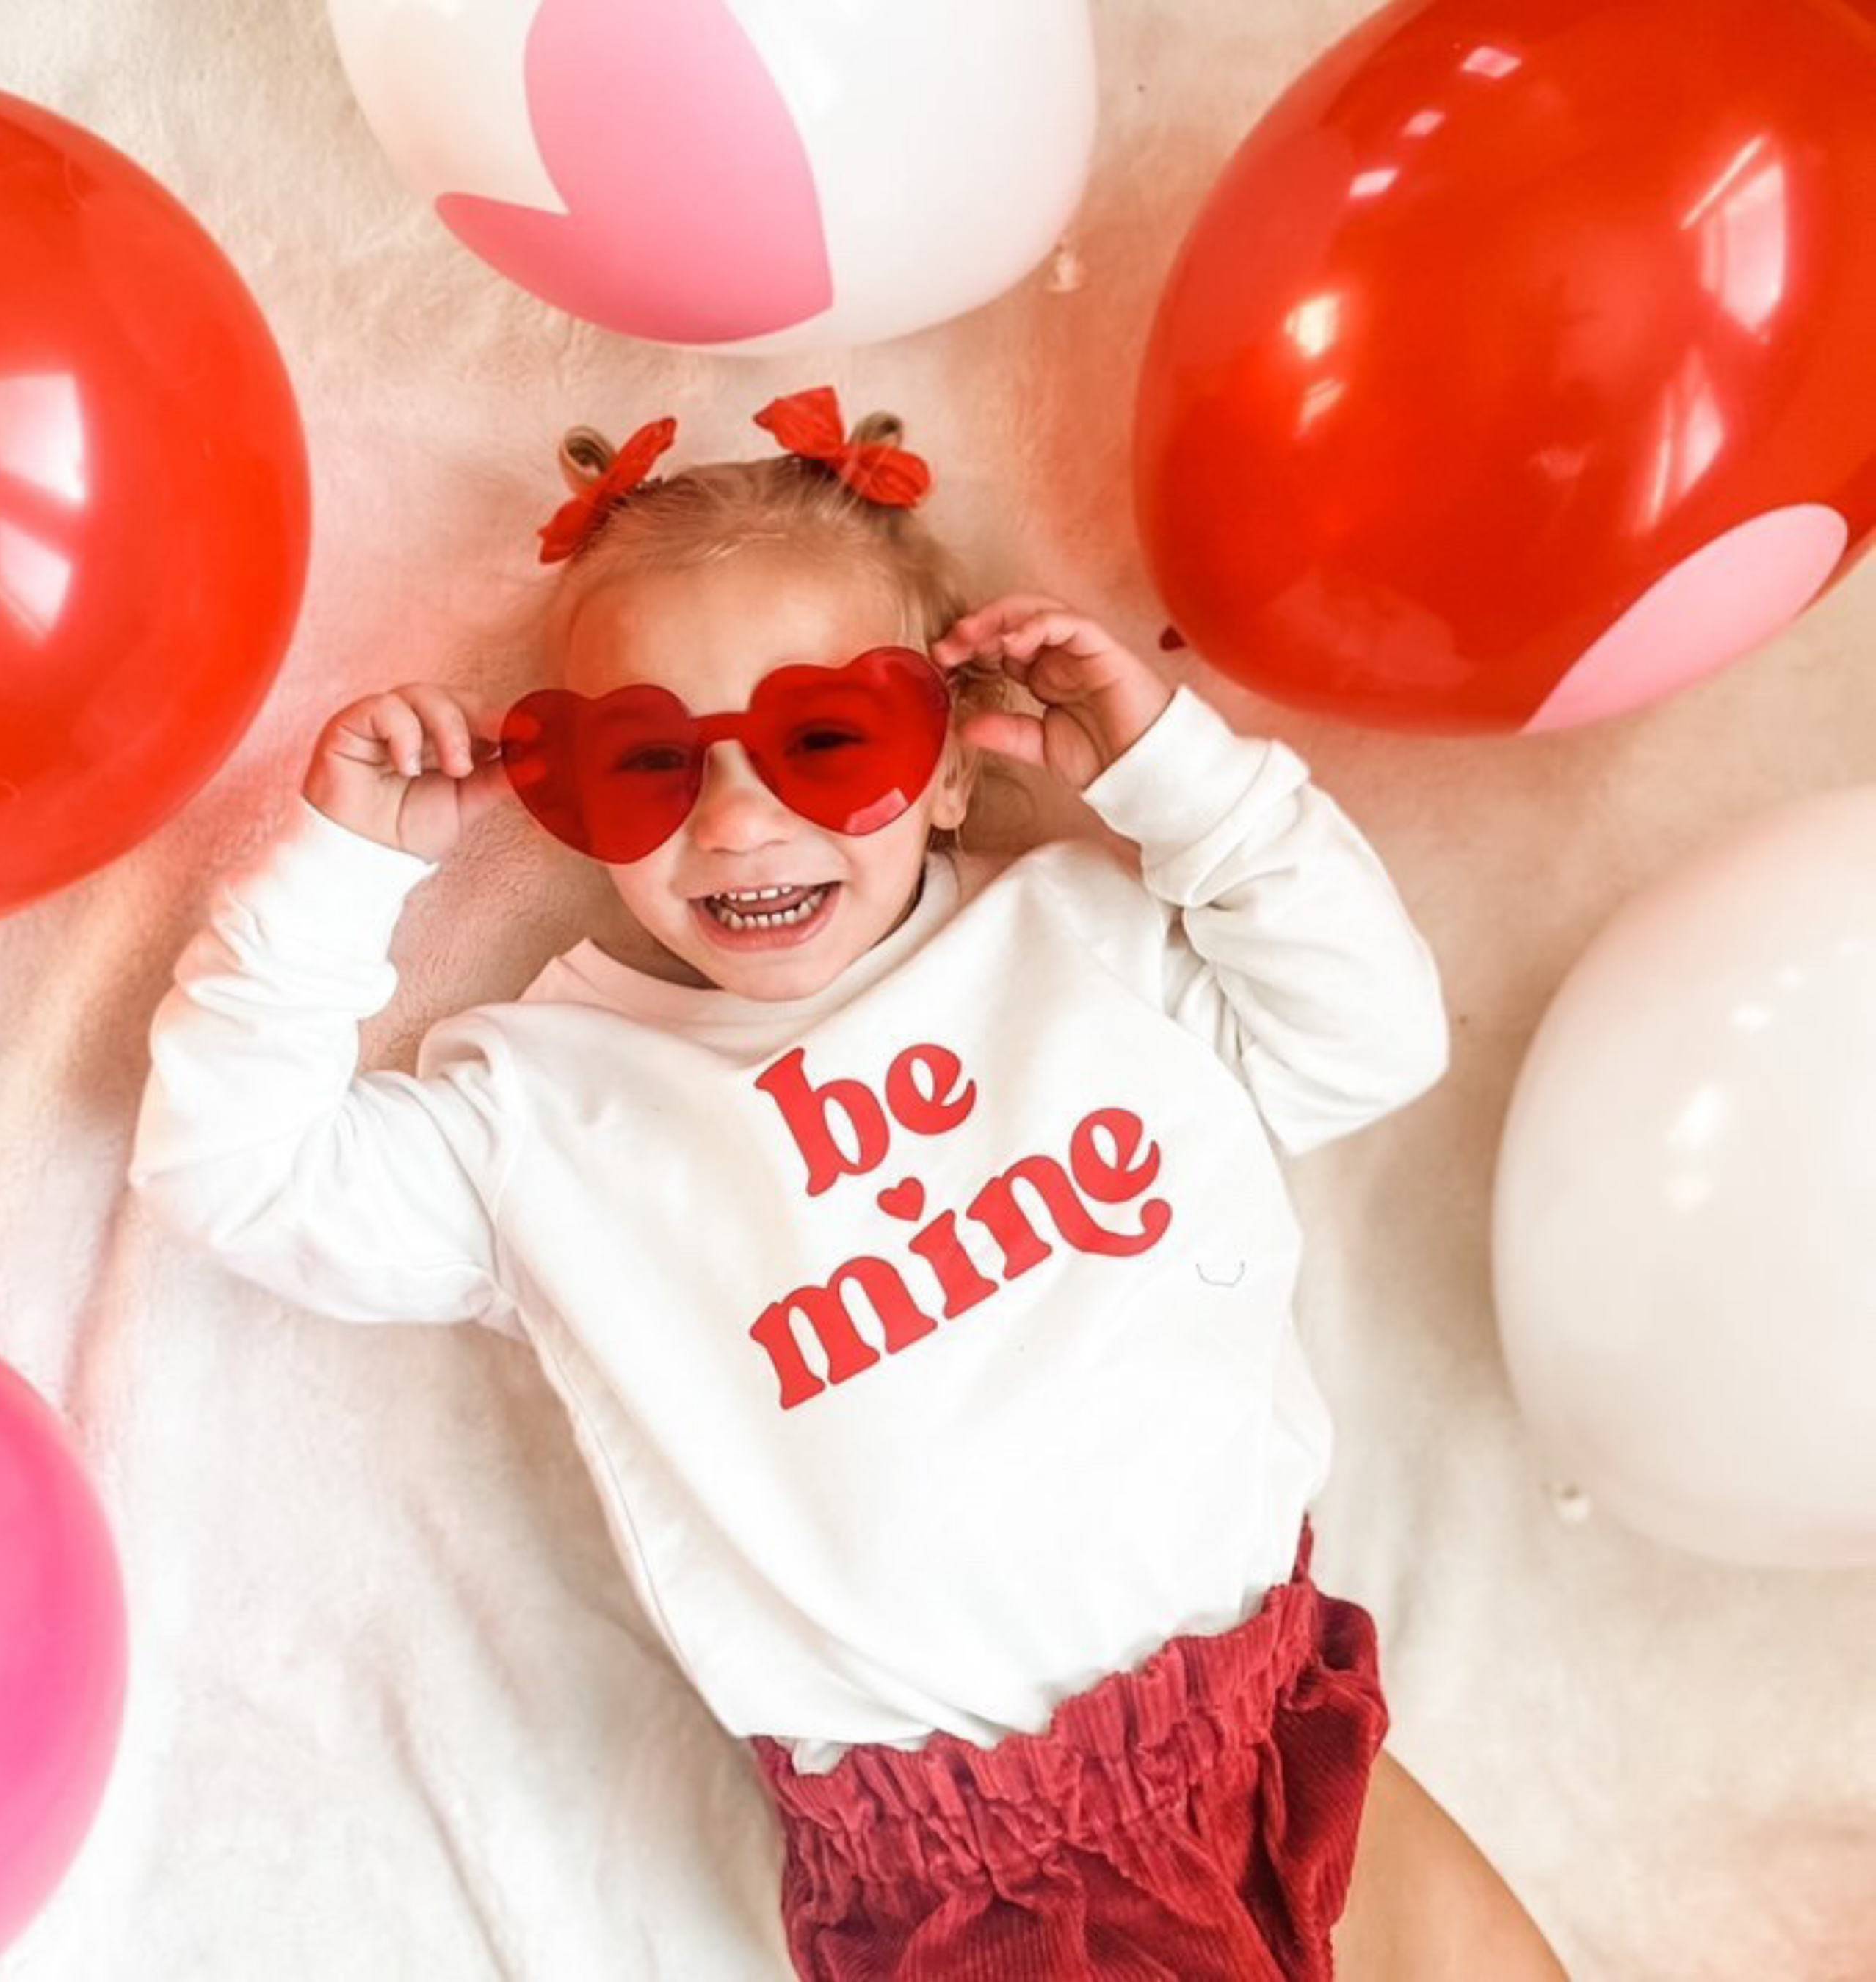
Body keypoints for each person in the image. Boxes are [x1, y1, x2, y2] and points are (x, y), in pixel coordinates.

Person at [128, 387, 1565, 1979]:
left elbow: (1372, 1035)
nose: (741, 821)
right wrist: (346, 869)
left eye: (829, 741)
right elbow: (233, 1172)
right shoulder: (546, 1106)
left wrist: (1176, 781)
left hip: (1265, 1694)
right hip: (982, 1855)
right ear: (568, 807)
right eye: (646, 766)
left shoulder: (1083, 936)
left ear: (951, 769)